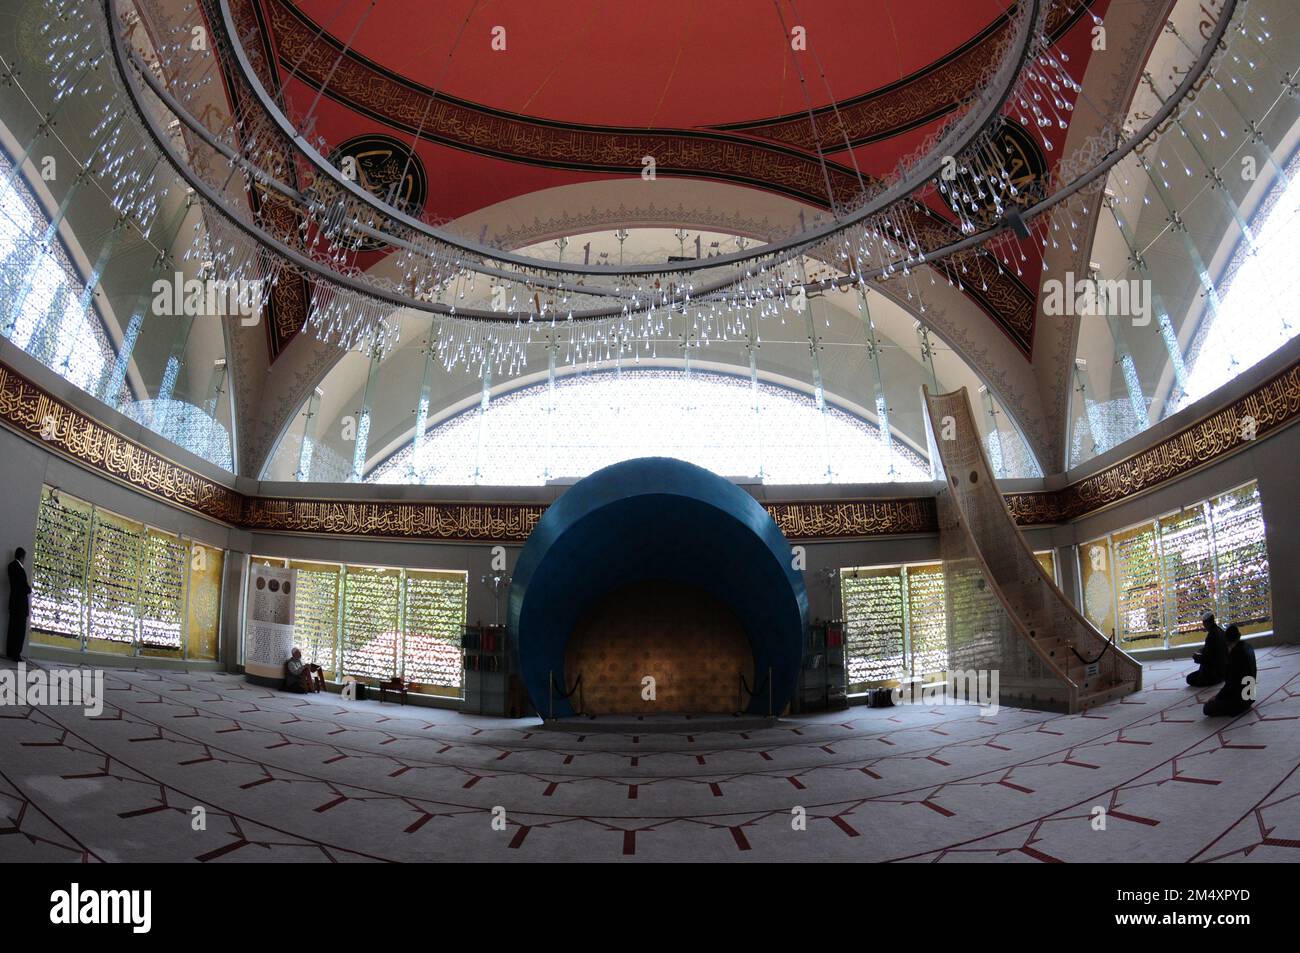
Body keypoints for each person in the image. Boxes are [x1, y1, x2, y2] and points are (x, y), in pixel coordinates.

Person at [1203, 625, 1257, 717]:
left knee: (1207, 708)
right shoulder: (1248, 647)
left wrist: (1217, 697)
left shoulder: (1235, 655)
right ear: (1239, 636)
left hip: (1241, 700)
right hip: (1250, 696)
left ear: (1226, 640)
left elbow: (1231, 684)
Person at [1186, 612, 1228, 687]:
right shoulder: (1220, 630)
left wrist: (1196, 657)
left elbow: (1207, 658)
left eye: (1204, 623)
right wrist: (1201, 650)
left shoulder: (1211, 635)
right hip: (1223, 670)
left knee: (1189, 678)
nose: (1204, 625)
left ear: (1207, 623)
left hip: (1214, 673)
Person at [6, 547, 31, 662]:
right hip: (20, 605)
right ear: (22, 557)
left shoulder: (10, 566)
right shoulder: (20, 570)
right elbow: (23, 587)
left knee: (12, 628)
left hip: (13, 603)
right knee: (19, 631)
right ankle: (16, 654)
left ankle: (10, 651)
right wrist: (29, 589)